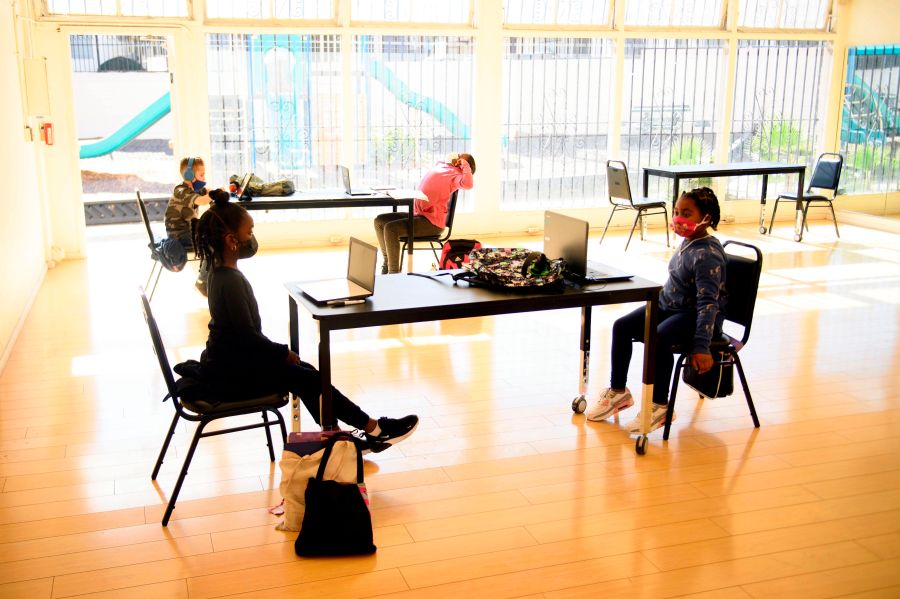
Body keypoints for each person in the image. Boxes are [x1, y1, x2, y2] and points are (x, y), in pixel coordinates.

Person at [194, 189, 418, 451]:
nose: (251, 238)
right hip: (229, 374)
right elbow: (247, 337)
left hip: (227, 362)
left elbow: (243, 336)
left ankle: (338, 437)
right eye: (249, 232)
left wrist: (280, 355)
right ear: (232, 240)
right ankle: (374, 429)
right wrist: (282, 353)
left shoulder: (219, 274)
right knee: (309, 378)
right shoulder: (230, 281)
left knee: (309, 373)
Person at [587, 187, 727, 433]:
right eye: (676, 212)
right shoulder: (689, 242)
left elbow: (708, 304)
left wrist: (702, 346)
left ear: (706, 217)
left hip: (694, 316)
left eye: (686, 213)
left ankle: (661, 406)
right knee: (622, 326)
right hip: (671, 306)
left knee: (659, 337)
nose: (678, 218)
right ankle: (619, 392)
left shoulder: (708, 255)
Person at [374, 153, 475, 274]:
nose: (457, 156)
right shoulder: (444, 168)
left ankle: (393, 273)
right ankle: (387, 264)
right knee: (380, 221)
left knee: (391, 228)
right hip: (418, 215)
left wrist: (465, 165)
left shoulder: (456, 175)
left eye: (460, 157)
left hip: (431, 223)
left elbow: (468, 184)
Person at [166, 157, 211, 295]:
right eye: (201, 174)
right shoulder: (181, 191)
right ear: (189, 175)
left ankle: (211, 278)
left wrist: (215, 191)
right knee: (212, 243)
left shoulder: (193, 189)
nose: (204, 177)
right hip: (179, 235)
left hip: (187, 231)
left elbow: (206, 192)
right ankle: (202, 282)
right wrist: (214, 195)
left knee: (214, 236)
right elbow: (203, 200)